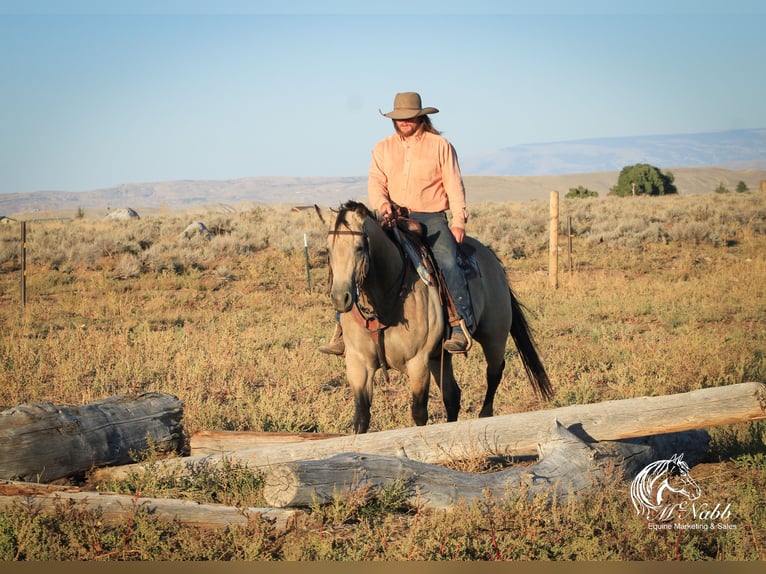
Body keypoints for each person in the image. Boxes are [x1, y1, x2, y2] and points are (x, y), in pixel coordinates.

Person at [319, 91, 475, 355]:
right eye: (399, 118)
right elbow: (376, 182)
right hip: (391, 216)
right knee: (356, 255)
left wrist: (459, 220)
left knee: (447, 259)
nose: (404, 122)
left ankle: (459, 323)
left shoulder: (440, 146)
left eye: (409, 117)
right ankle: (342, 330)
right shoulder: (382, 148)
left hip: (430, 217)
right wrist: (382, 205)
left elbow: (454, 184)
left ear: (420, 117)